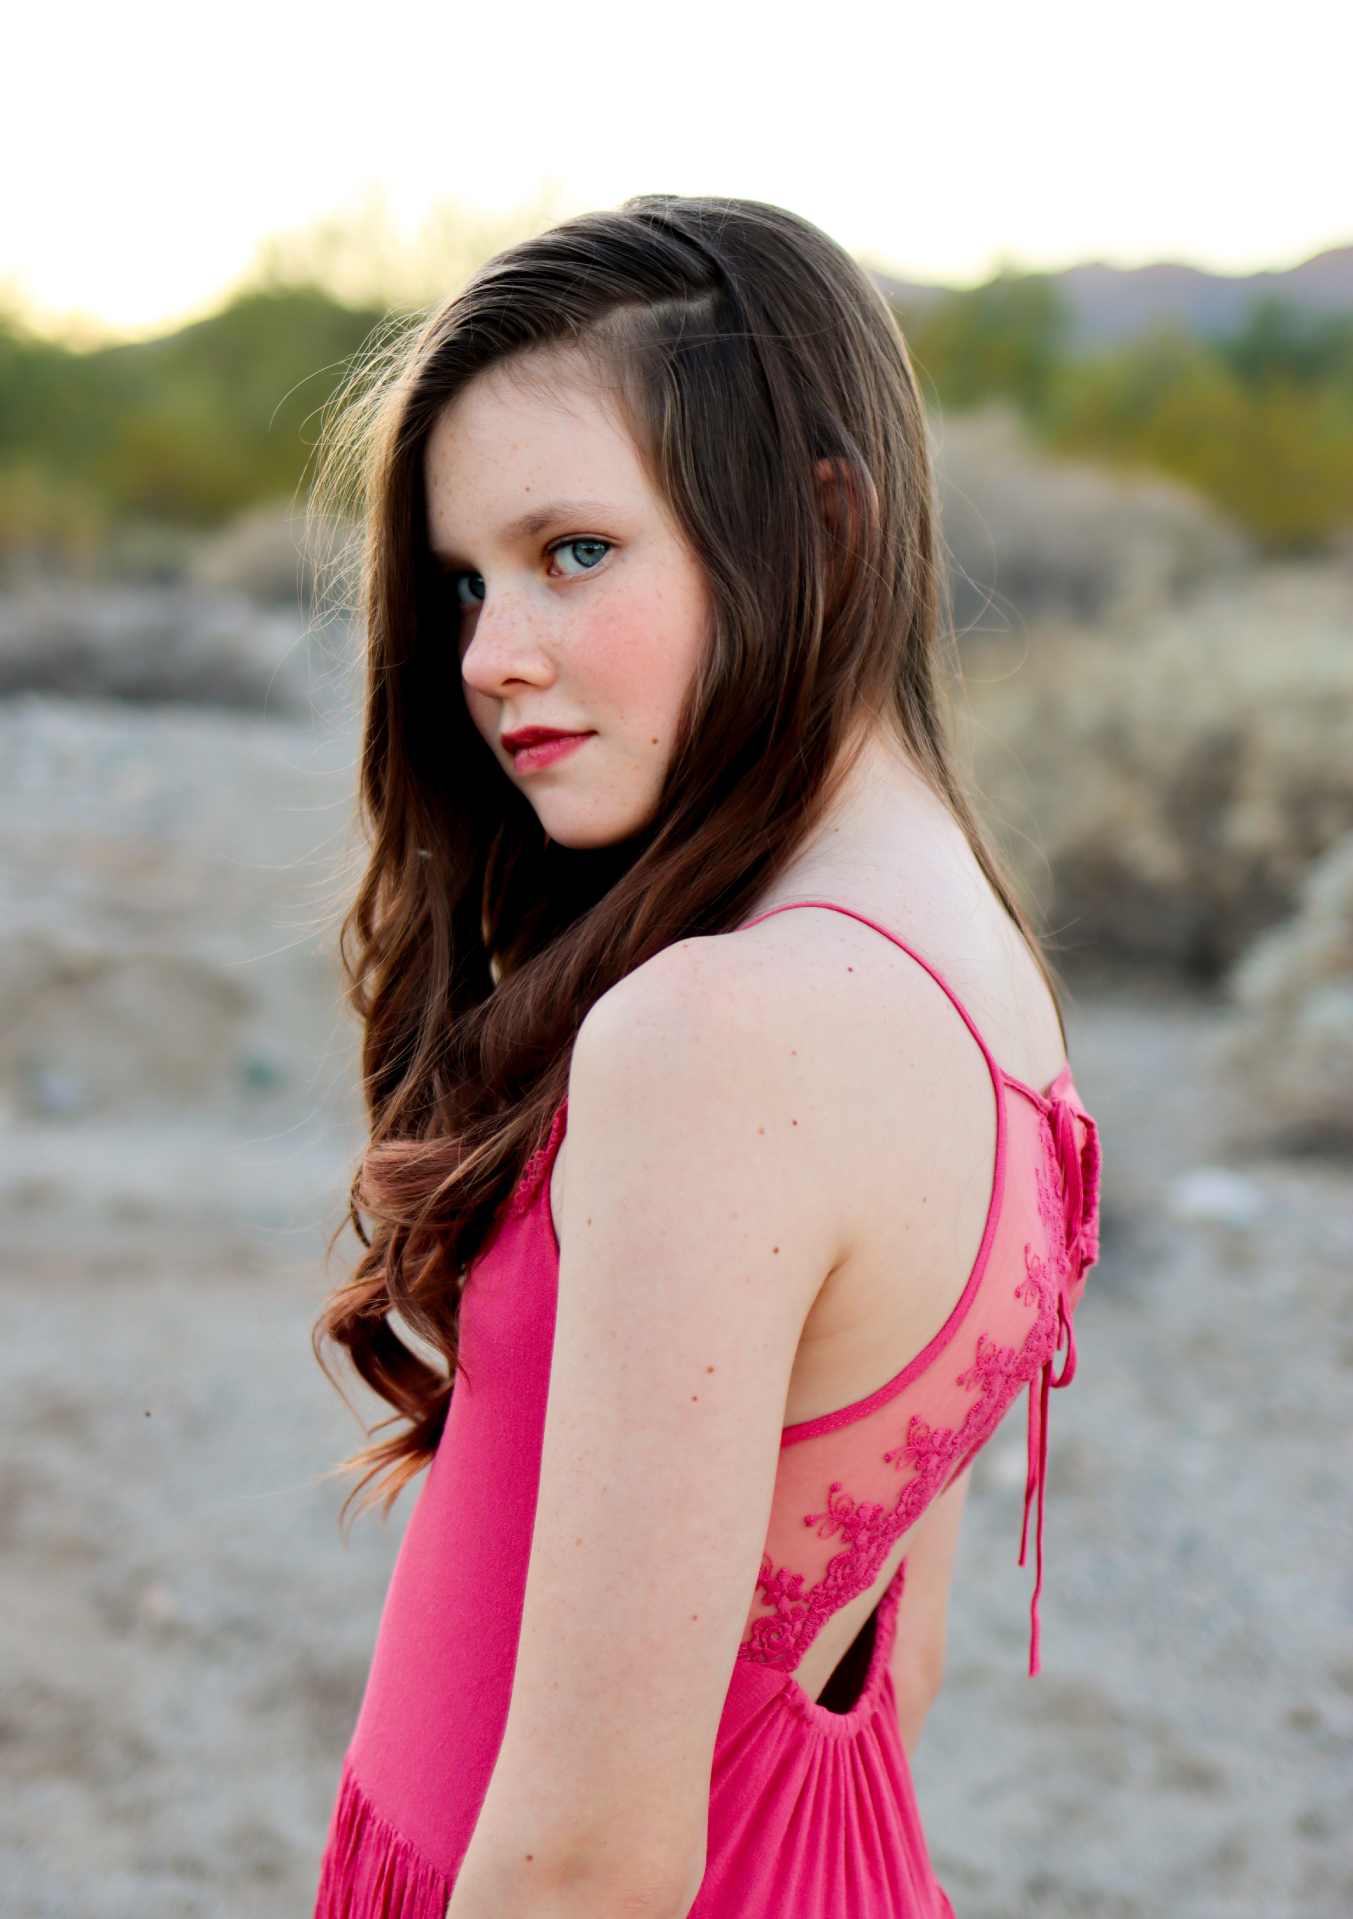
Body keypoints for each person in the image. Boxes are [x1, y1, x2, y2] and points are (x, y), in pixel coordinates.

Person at [312, 195, 1100, 1919]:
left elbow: (589, 1866)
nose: (490, 656)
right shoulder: (977, 968)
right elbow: (896, 1659)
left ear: (821, 526)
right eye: (466, 581)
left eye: (575, 551)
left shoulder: (725, 1034)